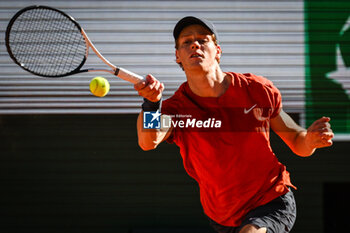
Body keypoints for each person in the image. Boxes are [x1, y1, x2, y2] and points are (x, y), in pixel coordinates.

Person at [134, 16, 334, 233]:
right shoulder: (177, 110)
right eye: (186, 42)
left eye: (203, 40)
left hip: (270, 199)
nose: (194, 44)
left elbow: (297, 141)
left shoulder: (257, 90)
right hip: (222, 216)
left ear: (217, 51)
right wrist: (152, 104)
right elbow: (149, 140)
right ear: (178, 56)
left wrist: (310, 140)